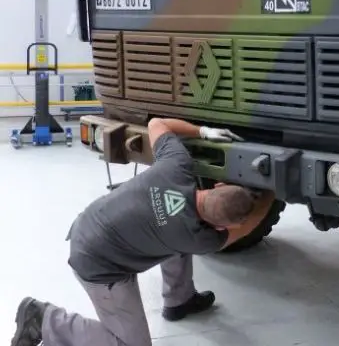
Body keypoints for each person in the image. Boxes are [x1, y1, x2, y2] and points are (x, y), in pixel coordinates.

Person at [11, 117, 275, 346]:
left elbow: (155, 123)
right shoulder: (201, 239)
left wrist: (203, 131)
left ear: (216, 186)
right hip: (98, 265)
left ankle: (179, 298)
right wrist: (273, 191)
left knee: (175, 233)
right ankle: (43, 318)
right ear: (225, 225)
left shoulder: (176, 166)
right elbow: (247, 226)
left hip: (91, 223)